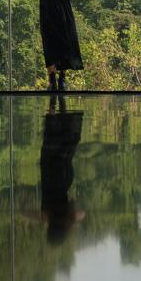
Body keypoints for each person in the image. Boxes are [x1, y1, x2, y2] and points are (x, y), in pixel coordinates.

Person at [40, 95, 85, 244]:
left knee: (62, 129)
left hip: (58, 163)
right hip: (53, 161)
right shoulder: (48, 212)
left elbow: (81, 214)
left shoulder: (53, 212)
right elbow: (80, 213)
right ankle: (57, 95)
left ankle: (57, 95)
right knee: (56, 125)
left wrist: (69, 221)